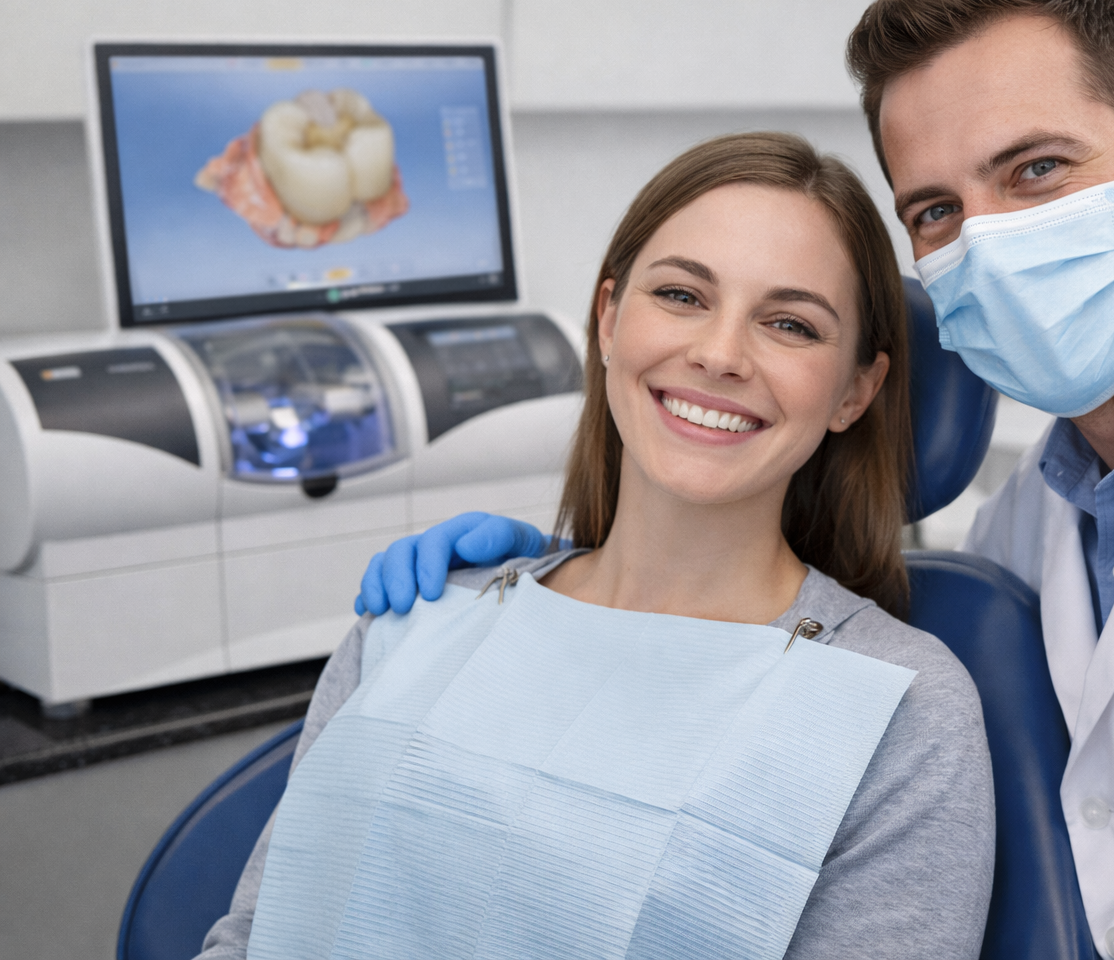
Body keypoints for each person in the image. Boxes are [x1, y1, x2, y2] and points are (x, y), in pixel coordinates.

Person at [357, 0, 1114, 960]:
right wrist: (553, 592)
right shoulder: (1030, 527)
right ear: (606, 320)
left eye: (1036, 170)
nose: (992, 240)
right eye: (935, 211)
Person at [201, 132, 995, 960]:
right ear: (609, 318)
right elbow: (257, 934)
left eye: (790, 324)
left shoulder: (900, 709)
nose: (719, 355)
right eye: (683, 296)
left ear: (855, 390)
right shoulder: (418, 618)